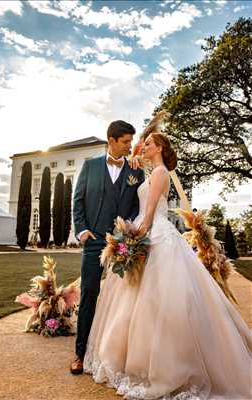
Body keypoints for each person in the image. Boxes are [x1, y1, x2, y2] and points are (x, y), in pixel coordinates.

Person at [83, 131, 252, 399]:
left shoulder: (160, 173)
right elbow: (138, 183)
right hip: (147, 230)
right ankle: (133, 356)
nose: (143, 145)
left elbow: (148, 214)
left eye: (149, 143)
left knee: (155, 299)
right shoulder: (153, 172)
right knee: (138, 299)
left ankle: (162, 364)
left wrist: (135, 238)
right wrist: (136, 161)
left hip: (153, 234)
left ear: (160, 147)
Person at [70, 120, 145, 374]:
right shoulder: (90, 166)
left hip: (123, 244)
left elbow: (137, 206)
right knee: (89, 294)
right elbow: (78, 200)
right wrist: (82, 231)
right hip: (93, 243)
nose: (130, 146)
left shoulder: (136, 170)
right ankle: (80, 353)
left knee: (122, 299)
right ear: (111, 140)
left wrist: (129, 231)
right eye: (126, 141)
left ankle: (114, 356)